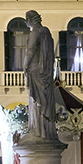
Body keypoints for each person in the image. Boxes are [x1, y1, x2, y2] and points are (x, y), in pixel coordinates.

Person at [22, 10, 59, 140]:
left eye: (26, 19)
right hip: (46, 72)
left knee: (36, 100)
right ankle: (47, 130)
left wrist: (25, 65)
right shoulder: (47, 33)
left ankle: (37, 130)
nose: (25, 22)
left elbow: (30, 50)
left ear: (30, 20)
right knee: (45, 101)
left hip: (35, 70)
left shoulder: (34, 33)